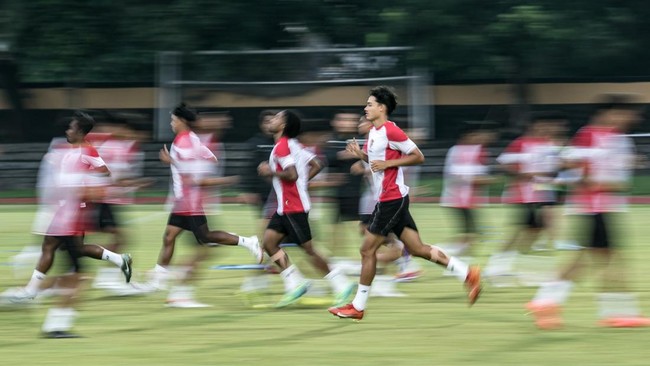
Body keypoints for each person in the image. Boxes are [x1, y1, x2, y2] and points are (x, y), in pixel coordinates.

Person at [328, 86, 482, 320]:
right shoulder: (373, 133)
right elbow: (377, 161)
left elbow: (418, 156)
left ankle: (358, 307)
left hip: (392, 199)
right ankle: (468, 273)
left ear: (382, 107)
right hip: (389, 199)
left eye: (369, 104)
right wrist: (361, 155)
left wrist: (389, 165)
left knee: (366, 249)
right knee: (418, 249)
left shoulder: (391, 131)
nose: (365, 108)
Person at [1, 111, 132, 337]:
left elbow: (105, 174)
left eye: (71, 128)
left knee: (69, 265)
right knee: (58, 250)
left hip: (73, 216)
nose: (67, 131)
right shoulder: (69, 151)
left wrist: (87, 189)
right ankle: (119, 260)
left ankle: (48, 314)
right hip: (63, 213)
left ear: (80, 131)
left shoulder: (87, 151)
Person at [527, 94, 650, 329]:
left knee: (595, 260)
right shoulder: (591, 135)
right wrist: (599, 181)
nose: (632, 119)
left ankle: (548, 301)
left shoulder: (613, 137)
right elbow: (572, 165)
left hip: (601, 206)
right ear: (610, 113)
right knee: (605, 259)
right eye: (627, 113)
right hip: (595, 207)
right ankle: (617, 313)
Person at [151, 103, 262, 308]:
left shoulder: (187, 142)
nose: (171, 123)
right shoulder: (189, 140)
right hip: (183, 200)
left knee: (206, 238)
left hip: (190, 202)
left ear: (183, 121)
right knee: (169, 236)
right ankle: (158, 279)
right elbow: (211, 159)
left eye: (173, 120)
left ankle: (248, 242)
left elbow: (196, 178)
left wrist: (172, 162)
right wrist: (175, 163)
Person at [257, 109, 355, 308]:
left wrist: (271, 172)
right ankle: (295, 283)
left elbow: (291, 174)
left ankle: (341, 283)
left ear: (283, 125)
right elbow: (317, 164)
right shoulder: (294, 145)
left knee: (309, 250)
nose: (272, 120)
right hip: (286, 207)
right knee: (269, 243)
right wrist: (302, 184)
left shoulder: (283, 146)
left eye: (276, 117)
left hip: (293, 207)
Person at [439, 122, 496, 256]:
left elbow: (478, 174)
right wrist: (486, 180)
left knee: (471, 231)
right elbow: (458, 175)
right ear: (467, 136)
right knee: (469, 231)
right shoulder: (457, 150)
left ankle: (462, 253)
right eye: (476, 135)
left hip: (469, 199)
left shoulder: (480, 150)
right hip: (457, 198)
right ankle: (443, 251)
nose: (480, 137)